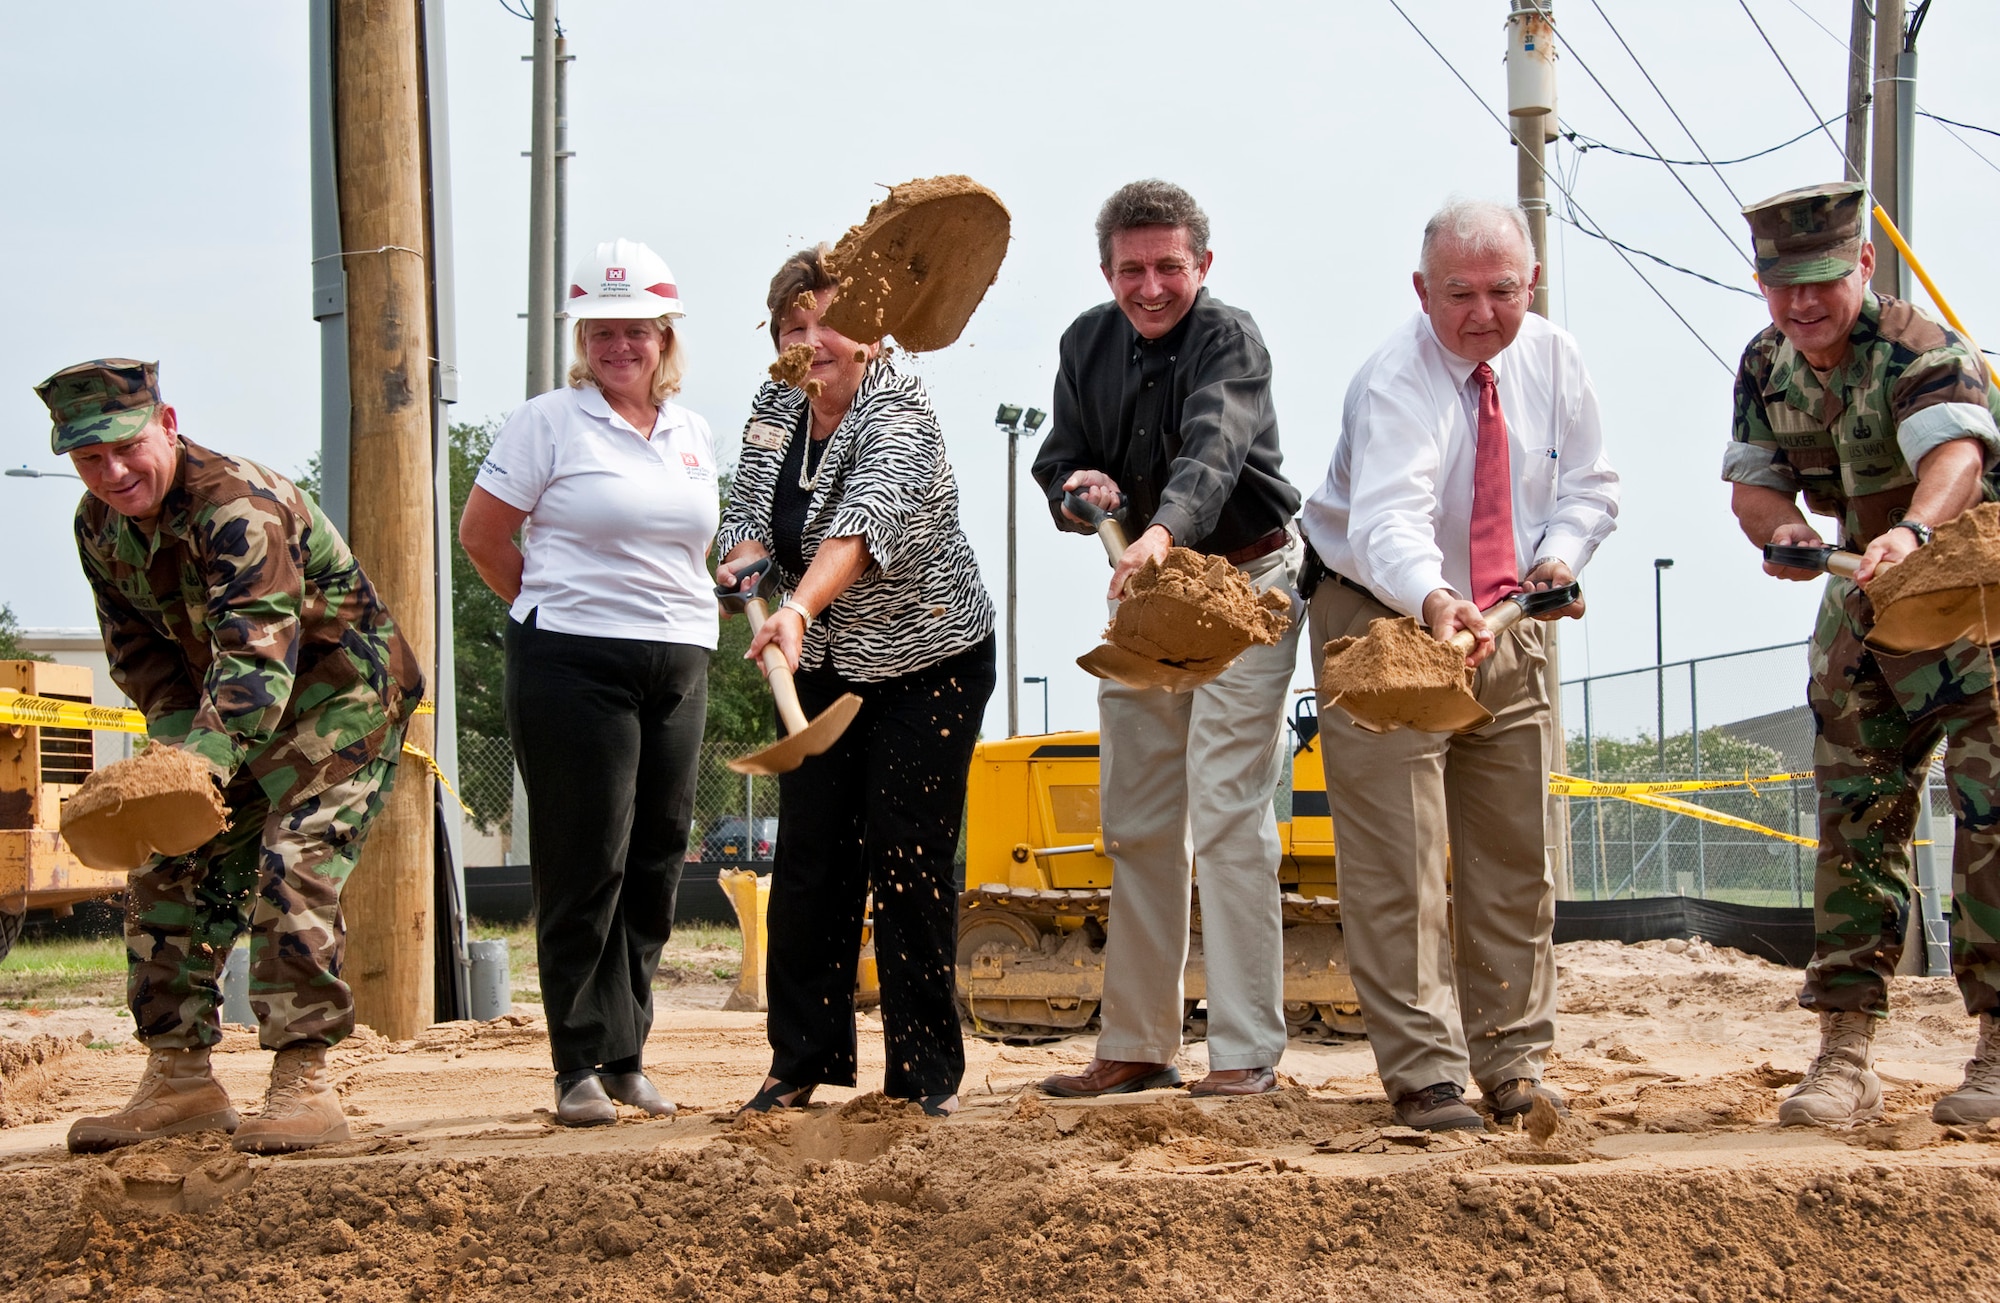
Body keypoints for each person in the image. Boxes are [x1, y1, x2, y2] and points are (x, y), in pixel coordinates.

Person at [42, 358, 424, 1155]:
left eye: (125, 447)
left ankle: (302, 1081)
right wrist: (170, 766)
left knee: (294, 861)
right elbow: (140, 654)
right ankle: (180, 1078)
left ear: (168, 424)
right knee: (167, 862)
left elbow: (257, 658)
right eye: (88, 458)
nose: (112, 472)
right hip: (228, 712)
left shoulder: (237, 507)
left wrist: (194, 766)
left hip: (337, 698)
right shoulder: (97, 526)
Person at [1301, 199, 1620, 1131]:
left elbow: (1591, 485)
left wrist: (1560, 554)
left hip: (1510, 611)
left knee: (1514, 844)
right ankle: (1426, 1073)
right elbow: (1387, 522)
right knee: (1399, 850)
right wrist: (1437, 604)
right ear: (1421, 291)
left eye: (1502, 291)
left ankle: (1513, 1060)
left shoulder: (1555, 359)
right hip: (1383, 612)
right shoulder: (1395, 382)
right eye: (1459, 294)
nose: (1482, 312)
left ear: (1532, 284)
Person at [1723, 181, 2000, 1128]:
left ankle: (1998, 1047)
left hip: (1970, 598)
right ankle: (1846, 1053)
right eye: (1781, 285)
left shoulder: (1925, 353)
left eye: (1822, 283)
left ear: (1864, 267)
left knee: (1993, 818)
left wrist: (1915, 534)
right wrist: (1788, 531)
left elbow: (1956, 457)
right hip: (1865, 601)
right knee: (1855, 821)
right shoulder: (1767, 363)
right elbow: (1754, 489)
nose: (1802, 305)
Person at [1032, 179, 1304, 1099]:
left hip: (1242, 585)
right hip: (1144, 592)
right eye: (1131, 270)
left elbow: (1213, 450)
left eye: (1169, 268)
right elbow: (1059, 459)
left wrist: (1158, 530)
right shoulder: (1085, 342)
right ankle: (1140, 1044)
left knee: (1228, 809)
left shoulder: (1230, 338)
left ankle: (1244, 1054)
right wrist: (1084, 493)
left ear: (1204, 265)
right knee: (1139, 818)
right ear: (1105, 269)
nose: (1150, 287)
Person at [716, 245, 995, 1118]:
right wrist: (742, 565)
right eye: (793, 326)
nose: (813, 342)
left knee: (907, 856)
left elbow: (860, 529)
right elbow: (747, 504)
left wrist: (793, 609)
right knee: (811, 860)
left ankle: (922, 1078)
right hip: (831, 664)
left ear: (872, 331)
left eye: (828, 321)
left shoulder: (900, 411)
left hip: (931, 662)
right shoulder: (777, 401)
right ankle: (801, 1058)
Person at [460, 238, 717, 1126]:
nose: (619, 346)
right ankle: (575, 1061)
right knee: (586, 858)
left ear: (664, 335)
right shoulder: (548, 422)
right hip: (573, 657)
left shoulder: (694, 433)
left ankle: (625, 1053)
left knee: (657, 856)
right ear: (583, 336)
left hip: (680, 655)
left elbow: (692, 547)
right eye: (602, 331)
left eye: (635, 330)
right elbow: (486, 537)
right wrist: (550, 604)